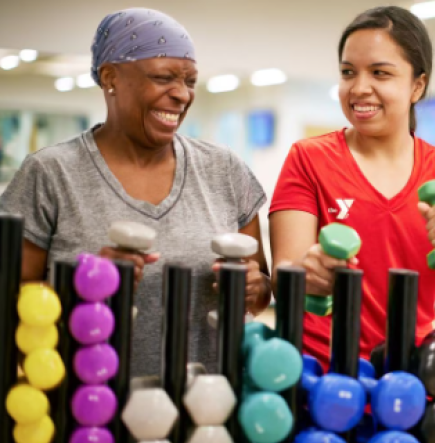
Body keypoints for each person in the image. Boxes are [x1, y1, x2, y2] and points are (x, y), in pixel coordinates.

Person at [0, 8, 272, 376]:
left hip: (208, 410)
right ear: (110, 77)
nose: (181, 94)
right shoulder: (50, 173)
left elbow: (261, 291)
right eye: (163, 78)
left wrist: (254, 286)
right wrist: (85, 293)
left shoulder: (224, 170)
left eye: (190, 81)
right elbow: (11, 306)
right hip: (89, 408)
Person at [268, 6, 435, 369]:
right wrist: (310, 272)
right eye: (347, 72)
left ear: (417, 85)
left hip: (411, 373)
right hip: (321, 371)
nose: (359, 88)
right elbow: (284, 278)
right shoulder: (308, 158)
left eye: (380, 73)